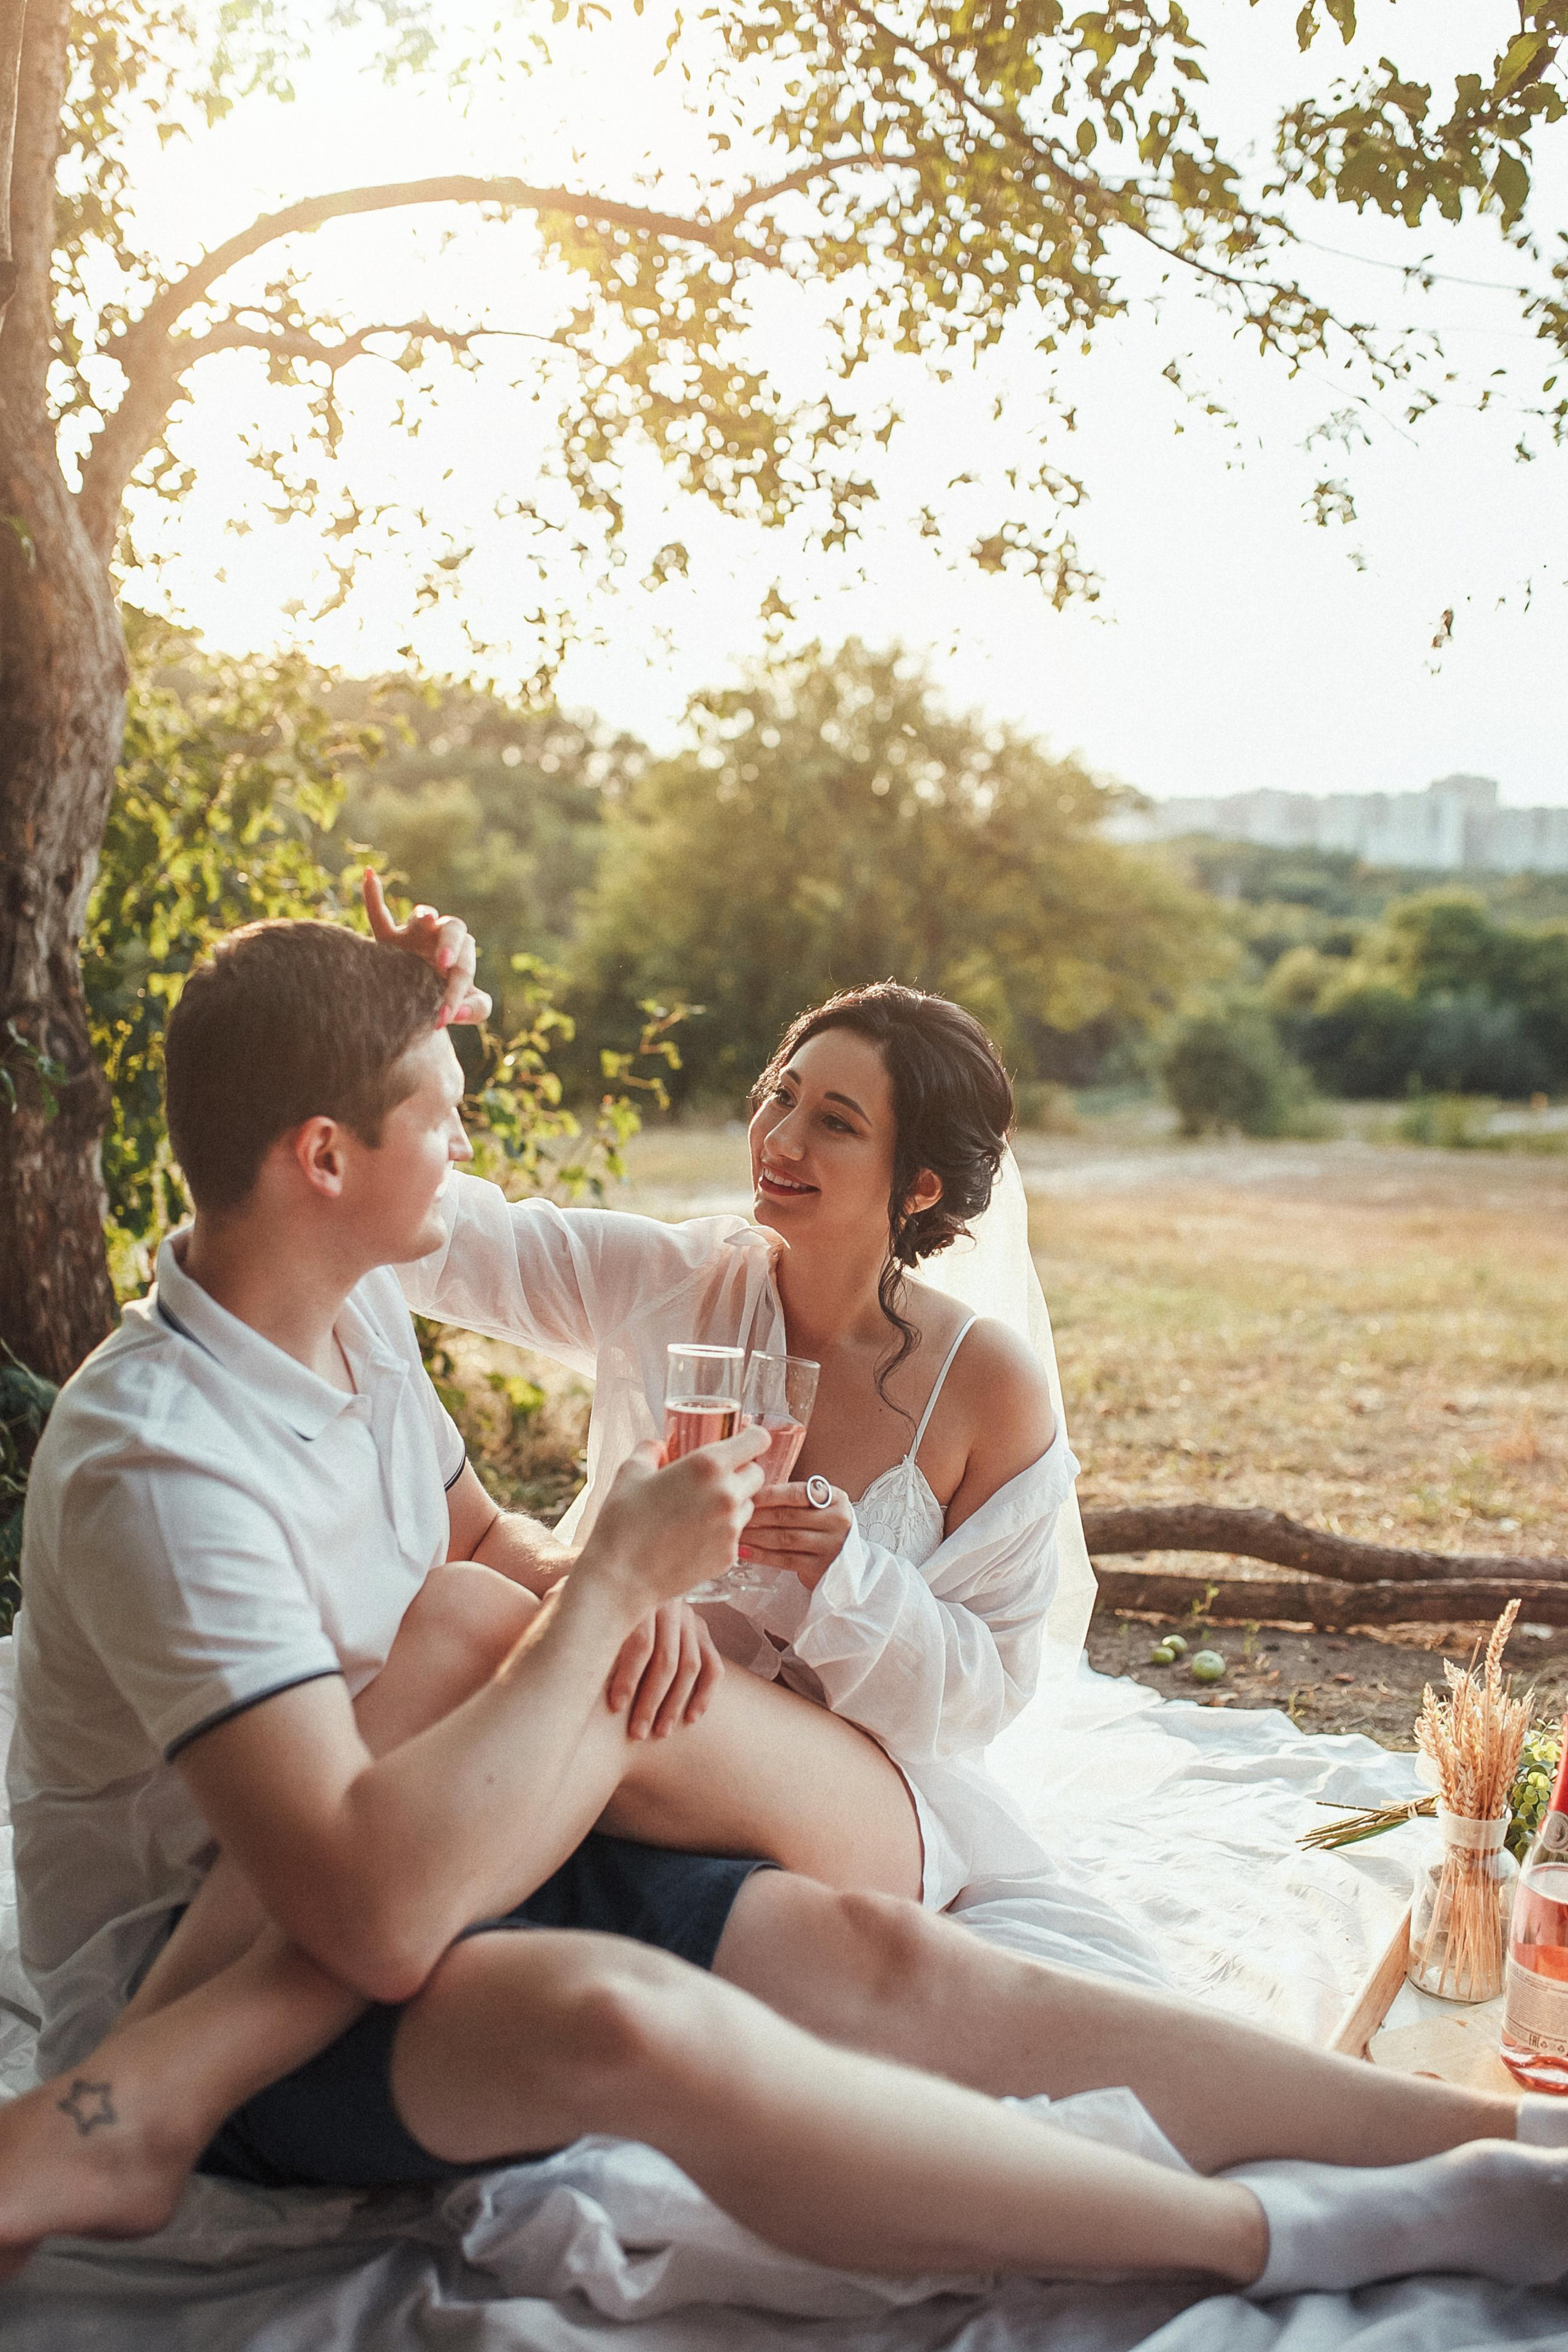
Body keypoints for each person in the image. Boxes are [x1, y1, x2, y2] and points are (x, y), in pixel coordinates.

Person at [7, 918, 1568, 2309]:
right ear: (327, 1160)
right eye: (441, 1114)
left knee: (876, 1956)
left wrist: (660, 1600)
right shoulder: (166, 1460)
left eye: (836, 1119)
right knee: (562, 1861)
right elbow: (373, 1897)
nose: (467, 1147)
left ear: (919, 1185)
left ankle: (1492, 2136)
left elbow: (488, 1540)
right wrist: (608, 1591)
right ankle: (1286, 2233)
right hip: (275, 1917)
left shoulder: (348, 1316)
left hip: (526, 1805)